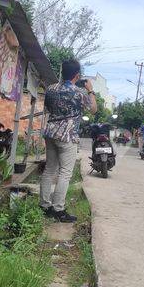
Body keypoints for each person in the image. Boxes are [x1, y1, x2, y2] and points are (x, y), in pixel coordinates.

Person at [40, 59, 97, 222]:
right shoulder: (79, 93)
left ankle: (44, 206)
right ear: (77, 75)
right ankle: (58, 209)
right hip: (67, 136)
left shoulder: (50, 89)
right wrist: (91, 91)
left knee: (50, 170)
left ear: (62, 72)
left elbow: (48, 108)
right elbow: (93, 110)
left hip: (50, 133)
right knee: (65, 173)